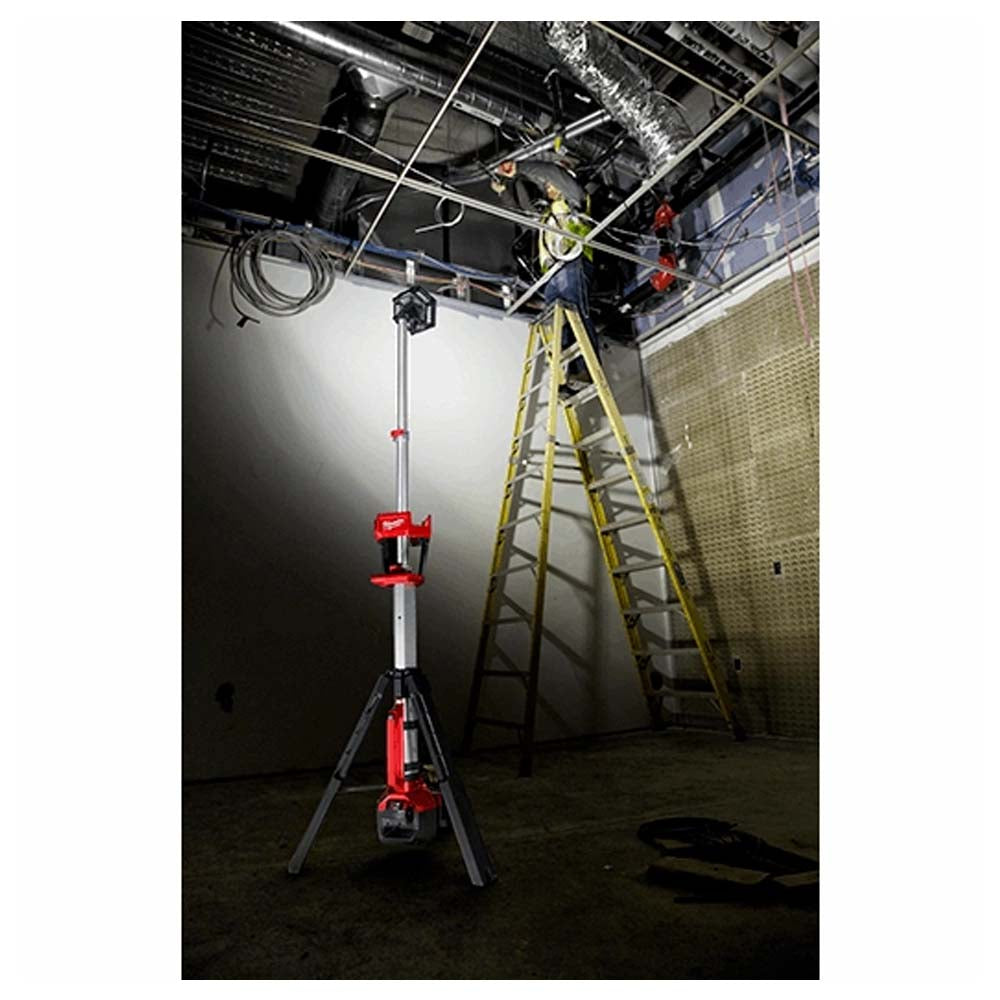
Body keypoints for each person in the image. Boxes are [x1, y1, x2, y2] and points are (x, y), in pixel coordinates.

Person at [492, 159, 601, 392]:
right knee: (561, 326)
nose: (547, 187)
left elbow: (551, 172)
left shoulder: (575, 199)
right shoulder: (547, 215)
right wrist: (503, 192)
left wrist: (519, 168)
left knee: (578, 316)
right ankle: (571, 375)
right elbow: (521, 216)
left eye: (551, 185)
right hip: (552, 273)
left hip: (572, 263)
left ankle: (589, 370)